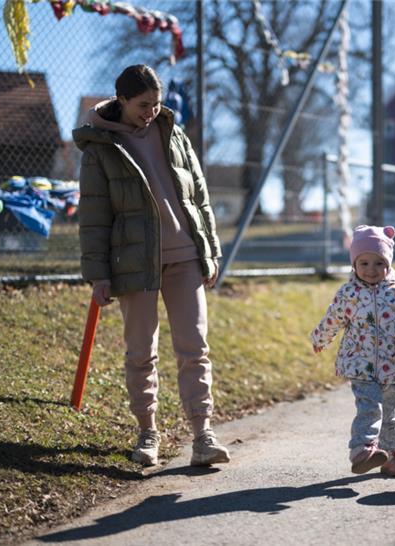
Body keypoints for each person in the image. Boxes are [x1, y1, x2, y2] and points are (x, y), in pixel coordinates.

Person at [73, 64, 230, 467]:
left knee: (194, 348)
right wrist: (99, 274)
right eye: (143, 104)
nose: (151, 111)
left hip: (185, 259)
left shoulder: (172, 132)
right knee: (141, 353)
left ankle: (203, 434)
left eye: (157, 103)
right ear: (121, 100)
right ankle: (147, 433)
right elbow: (94, 217)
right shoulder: (100, 146)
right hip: (133, 264)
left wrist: (209, 251)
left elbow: (200, 196)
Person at [310, 225, 395, 476]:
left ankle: (389, 456)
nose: (371, 270)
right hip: (360, 364)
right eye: (363, 263)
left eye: (378, 263)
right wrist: (321, 338)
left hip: (393, 366)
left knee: (391, 414)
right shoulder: (349, 293)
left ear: (388, 263)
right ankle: (361, 450)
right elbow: (333, 318)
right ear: (354, 264)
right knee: (369, 407)